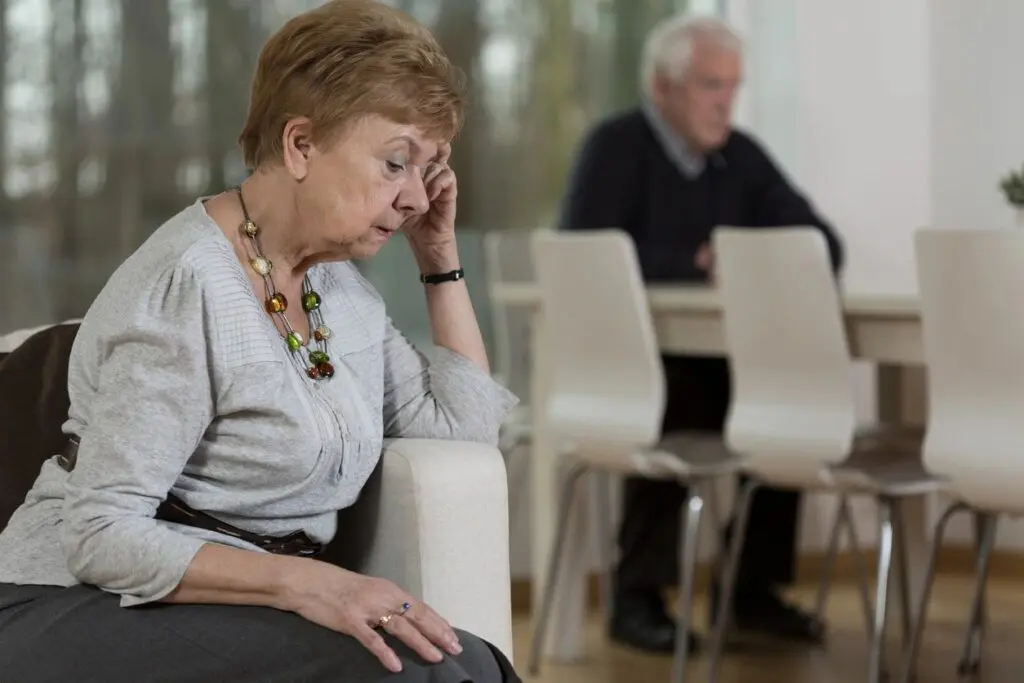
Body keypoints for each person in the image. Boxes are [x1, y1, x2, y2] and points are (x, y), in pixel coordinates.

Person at [0, 2, 521, 681]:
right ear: (300, 144)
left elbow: (464, 427)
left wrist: (439, 258)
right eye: (396, 163)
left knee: (473, 662)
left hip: (227, 603)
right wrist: (313, 585)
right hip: (70, 602)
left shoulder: (338, 290)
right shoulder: (188, 286)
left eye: (429, 168)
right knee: (409, 672)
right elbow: (101, 534)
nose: (417, 197)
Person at [560, 15, 844, 654]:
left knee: (786, 391)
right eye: (712, 86)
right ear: (664, 86)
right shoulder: (616, 146)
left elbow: (822, 244)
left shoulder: (738, 156)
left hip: (725, 359)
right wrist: (696, 260)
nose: (726, 102)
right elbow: (584, 254)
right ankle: (636, 597)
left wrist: (749, 257)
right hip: (629, 364)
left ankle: (751, 591)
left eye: (733, 87)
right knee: (682, 392)